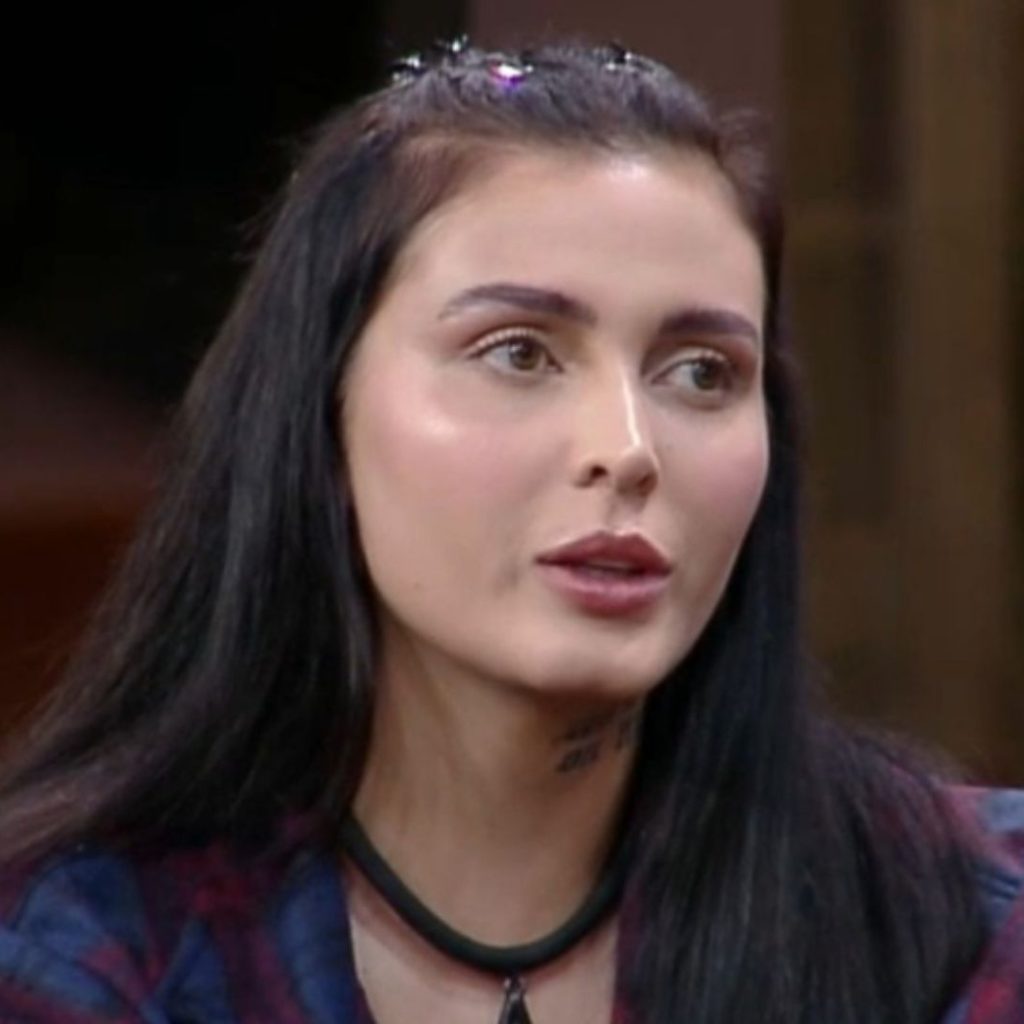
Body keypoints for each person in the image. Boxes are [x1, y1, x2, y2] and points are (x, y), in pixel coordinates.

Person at [0, 40, 1020, 1024]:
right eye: (519, 352)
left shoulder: (966, 927)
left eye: (701, 371)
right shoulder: (81, 946)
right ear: (319, 418)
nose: (627, 449)